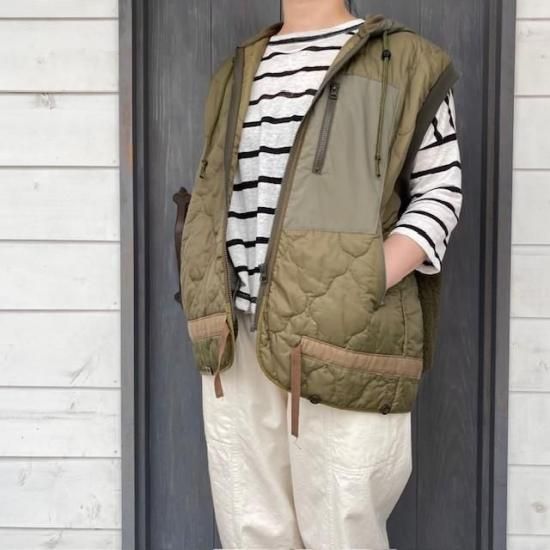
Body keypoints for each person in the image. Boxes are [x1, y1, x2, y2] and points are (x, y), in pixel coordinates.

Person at [177, 1, 463, 548]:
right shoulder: (235, 71)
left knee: (342, 530)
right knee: (250, 531)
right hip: (235, 340)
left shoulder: (406, 60)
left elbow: (440, 192)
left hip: (343, 338)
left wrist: (365, 280)